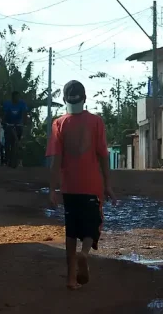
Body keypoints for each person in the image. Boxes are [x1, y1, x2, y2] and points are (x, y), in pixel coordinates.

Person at [46, 80, 117, 290]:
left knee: (70, 232)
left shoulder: (59, 124)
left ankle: (70, 279)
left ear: (64, 100)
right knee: (91, 226)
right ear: (85, 99)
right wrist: (108, 184)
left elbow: (56, 161)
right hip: (91, 185)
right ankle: (84, 253)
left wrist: (52, 189)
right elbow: (103, 155)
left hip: (69, 187)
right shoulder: (96, 122)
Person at [2, 91, 29, 165]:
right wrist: (4, 122)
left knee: (17, 141)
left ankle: (15, 156)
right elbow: (4, 114)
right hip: (9, 124)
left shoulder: (22, 104)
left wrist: (25, 123)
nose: (17, 99)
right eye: (15, 97)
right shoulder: (7, 104)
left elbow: (25, 114)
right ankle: (7, 158)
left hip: (18, 125)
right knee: (7, 142)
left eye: (18, 97)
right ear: (12, 97)